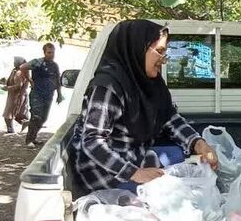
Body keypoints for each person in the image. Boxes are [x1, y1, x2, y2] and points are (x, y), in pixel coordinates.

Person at [69, 19, 219, 194]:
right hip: (104, 172)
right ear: (139, 49)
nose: (163, 60)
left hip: (132, 154)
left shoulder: (149, 82)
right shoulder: (108, 87)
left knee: (182, 157)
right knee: (174, 189)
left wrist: (199, 144)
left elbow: (169, 118)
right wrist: (135, 173)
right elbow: (92, 142)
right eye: (160, 52)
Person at [22, 43, 63, 147]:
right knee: (36, 116)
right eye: (49, 52)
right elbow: (23, 67)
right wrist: (29, 80)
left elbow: (57, 80)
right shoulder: (37, 62)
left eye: (52, 52)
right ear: (44, 52)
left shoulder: (54, 65)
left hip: (48, 95)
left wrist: (59, 94)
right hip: (37, 94)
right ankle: (29, 140)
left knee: (43, 118)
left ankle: (33, 137)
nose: (51, 54)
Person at [2, 57, 29, 134]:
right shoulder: (16, 71)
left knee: (8, 114)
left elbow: (18, 86)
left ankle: (10, 130)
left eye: (15, 61)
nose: (14, 63)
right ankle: (26, 124)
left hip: (16, 96)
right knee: (17, 114)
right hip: (14, 95)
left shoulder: (19, 73)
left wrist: (7, 88)